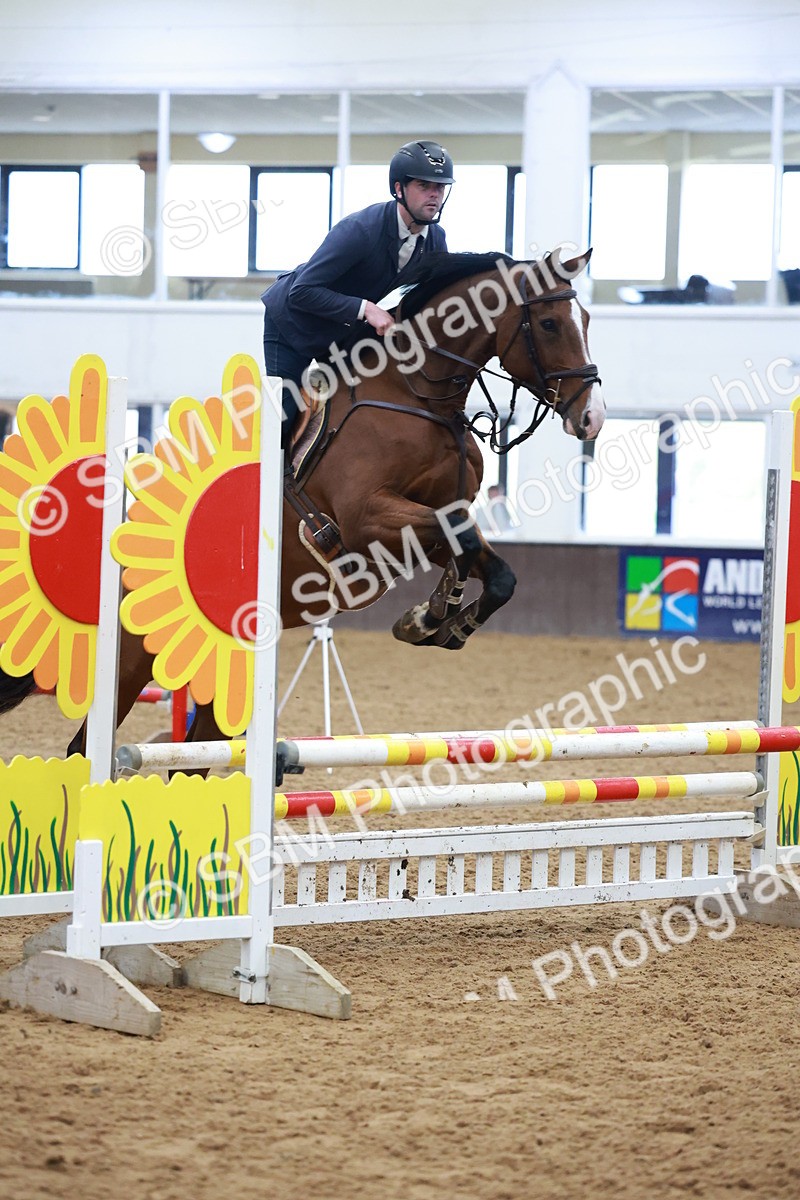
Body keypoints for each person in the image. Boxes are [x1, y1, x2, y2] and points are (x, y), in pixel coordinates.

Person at [261, 140, 454, 456]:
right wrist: (367, 310)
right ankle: (270, 493)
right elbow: (303, 292)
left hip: (342, 332)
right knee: (284, 414)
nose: (434, 194)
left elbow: (433, 303)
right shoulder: (360, 230)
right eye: (424, 186)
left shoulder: (435, 240)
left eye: (440, 187)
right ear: (399, 188)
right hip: (293, 324)